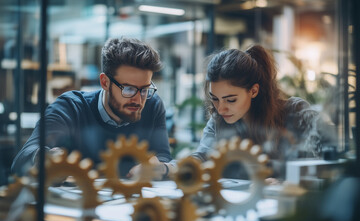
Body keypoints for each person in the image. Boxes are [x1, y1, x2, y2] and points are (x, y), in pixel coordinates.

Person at [11, 37, 175, 179]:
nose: (139, 99)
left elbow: (162, 157)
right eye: (129, 89)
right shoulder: (70, 107)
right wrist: (45, 158)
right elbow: (20, 162)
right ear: (105, 82)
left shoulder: (152, 105)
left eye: (145, 89)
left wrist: (159, 167)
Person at [192, 45, 328, 179]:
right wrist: (171, 168)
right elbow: (201, 158)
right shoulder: (219, 121)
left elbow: (325, 164)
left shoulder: (297, 113)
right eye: (214, 99)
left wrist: (286, 183)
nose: (220, 109)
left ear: (253, 91)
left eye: (231, 100)